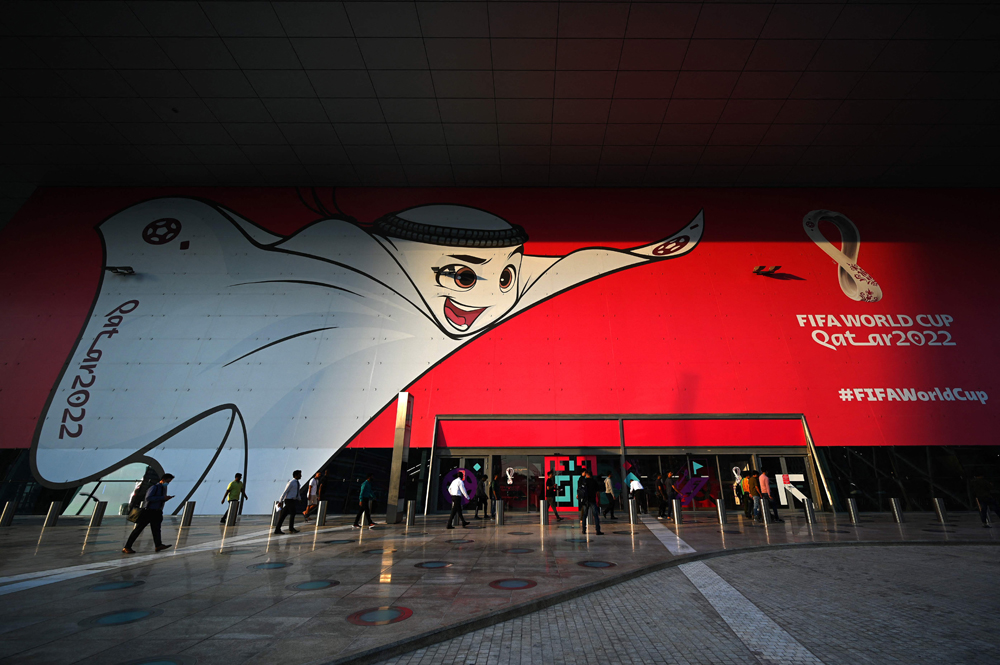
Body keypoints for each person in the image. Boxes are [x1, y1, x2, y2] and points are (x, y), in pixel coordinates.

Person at [123, 473, 175, 554]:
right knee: (138, 529)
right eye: (167, 481)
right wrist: (162, 497)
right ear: (163, 480)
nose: (168, 483)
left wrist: (165, 498)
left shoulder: (163, 488)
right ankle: (127, 547)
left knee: (156, 529)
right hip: (148, 511)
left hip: (157, 512)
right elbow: (148, 498)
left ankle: (158, 545)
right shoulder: (154, 487)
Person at [274, 470, 302, 535]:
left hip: (293, 500)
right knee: (293, 513)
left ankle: (277, 529)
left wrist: (299, 499)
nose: (301, 476)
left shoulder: (297, 483)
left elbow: (297, 492)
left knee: (283, 515)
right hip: (289, 500)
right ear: (296, 475)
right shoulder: (291, 482)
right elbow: (285, 491)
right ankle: (291, 528)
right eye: (300, 474)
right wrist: (280, 501)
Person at [578, 471, 604, 535]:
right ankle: (598, 530)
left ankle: (584, 530)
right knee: (595, 515)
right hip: (592, 500)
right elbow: (597, 492)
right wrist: (599, 500)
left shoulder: (584, 481)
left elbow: (580, 490)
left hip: (585, 500)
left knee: (584, 515)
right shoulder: (594, 481)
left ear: (586, 475)